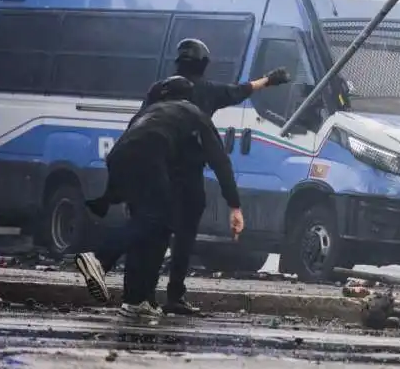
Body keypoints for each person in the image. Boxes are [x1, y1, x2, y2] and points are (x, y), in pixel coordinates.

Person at [74, 76, 243, 320]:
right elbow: (220, 161)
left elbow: (130, 146)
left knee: (150, 227)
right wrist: (234, 204)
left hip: (119, 157)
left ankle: (135, 300)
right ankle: (99, 258)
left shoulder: (150, 111)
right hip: (148, 156)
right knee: (159, 219)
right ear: (189, 95)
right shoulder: (194, 113)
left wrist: (114, 194)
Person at [156, 38, 290, 315]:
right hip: (188, 175)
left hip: (157, 169)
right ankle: (174, 296)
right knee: (183, 236)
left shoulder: (159, 91)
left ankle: (139, 296)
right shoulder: (206, 94)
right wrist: (270, 80)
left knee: (153, 232)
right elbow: (238, 92)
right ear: (204, 65)